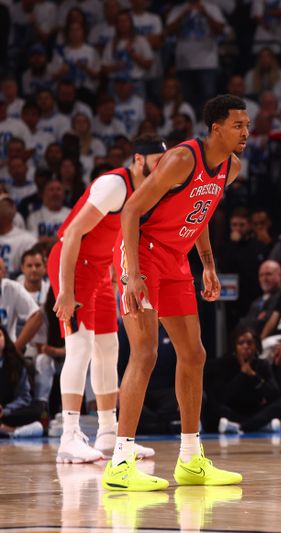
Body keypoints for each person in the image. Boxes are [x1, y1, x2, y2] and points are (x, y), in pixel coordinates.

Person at [106, 95, 248, 491]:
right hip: (143, 254)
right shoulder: (183, 159)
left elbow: (199, 212)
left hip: (176, 258)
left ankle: (190, 459)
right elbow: (132, 210)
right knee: (146, 351)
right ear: (216, 128)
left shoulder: (230, 168)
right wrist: (133, 275)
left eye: (248, 125)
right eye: (238, 125)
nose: (246, 132)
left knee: (194, 353)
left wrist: (208, 264)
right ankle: (120, 462)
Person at [49, 134, 165, 464]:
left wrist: (118, 277)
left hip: (100, 270)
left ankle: (108, 433)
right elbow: (71, 234)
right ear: (139, 160)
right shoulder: (115, 185)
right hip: (72, 267)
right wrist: (67, 291)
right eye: (156, 164)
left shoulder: (145, 191)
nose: (160, 171)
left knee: (108, 349)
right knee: (80, 347)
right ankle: (69, 436)